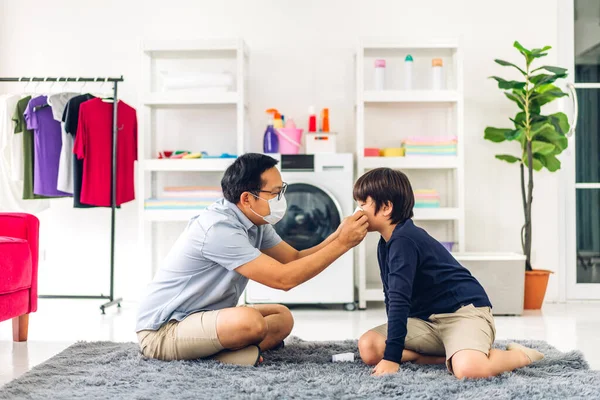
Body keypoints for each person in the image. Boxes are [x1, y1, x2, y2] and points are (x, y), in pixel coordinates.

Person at [136, 153, 368, 366]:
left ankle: (225, 353)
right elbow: (283, 279)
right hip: (164, 331)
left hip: (203, 319)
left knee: (282, 317)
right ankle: (223, 356)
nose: (281, 198)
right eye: (275, 193)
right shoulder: (219, 229)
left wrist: (339, 234)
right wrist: (343, 243)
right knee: (251, 322)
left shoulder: (255, 221)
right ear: (247, 198)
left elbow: (293, 258)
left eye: (282, 190)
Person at [353, 168, 544, 378]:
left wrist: (391, 358)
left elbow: (399, 300)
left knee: (469, 371)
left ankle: (519, 355)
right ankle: (442, 356)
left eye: (363, 204)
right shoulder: (385, 243)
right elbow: (391, 297)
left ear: (387, 207)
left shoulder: (404, 240)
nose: (358, 210)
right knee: (369, 347)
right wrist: (393, 348)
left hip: (462, 314)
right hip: (426, 322)